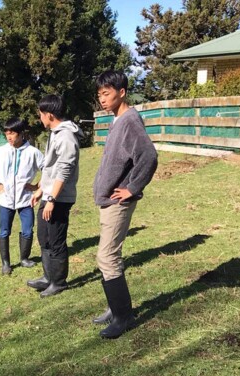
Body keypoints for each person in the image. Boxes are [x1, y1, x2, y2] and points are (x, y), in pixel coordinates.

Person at [92, 70, 158, 339]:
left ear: (122, 92)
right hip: (107, 199)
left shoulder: (130, 120)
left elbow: (149, 156)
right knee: (105, 256)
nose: (102, 100)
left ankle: (123, 317)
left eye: (106, 94)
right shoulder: (117, 120)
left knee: (107, 257)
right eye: (99, 95)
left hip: (118, 201)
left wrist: (132, 188)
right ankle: (115, 307)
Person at [27, 95, 83, 298]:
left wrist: (51, 199)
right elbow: (50, 168)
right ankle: (47, 276)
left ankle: (58, 282)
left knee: (56, 239)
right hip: (49, 195)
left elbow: (64, 170)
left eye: (40, 114)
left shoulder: (66, 136)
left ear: (49, 114)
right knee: (44, 237)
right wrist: (41, 190)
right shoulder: (54, 133)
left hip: (59, 198)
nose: (39, 118)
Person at [0, 117, 44, 275]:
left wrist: (37, 187)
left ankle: (24, 258)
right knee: (4, 232)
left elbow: (48, 170)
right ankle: (6, 263)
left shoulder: (33, 153)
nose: (9, 137)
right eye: (6, 133)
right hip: (6, 201)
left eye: (12, 133)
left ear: (21, 133)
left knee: (28, 230)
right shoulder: (1, 152)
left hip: (26, 200)